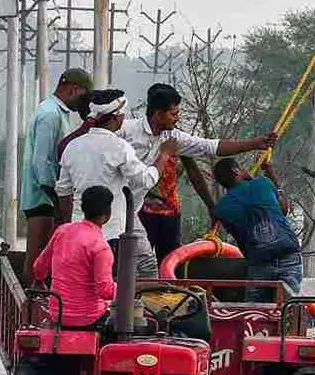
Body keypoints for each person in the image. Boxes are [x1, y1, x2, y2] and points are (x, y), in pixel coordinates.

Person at [119, 82, 278, 265]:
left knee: (156, 263)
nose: (177, 118)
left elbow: (210, 147)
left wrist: (255, 143)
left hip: (158, 211)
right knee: (125, 260)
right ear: (158, 113)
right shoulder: (126, 130)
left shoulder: (174, 137)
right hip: (122, 208)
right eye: (173, 114)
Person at [56, 89, 177, 278]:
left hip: (78, 230)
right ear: (116, 118)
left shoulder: (73, 146)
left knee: (84, 278)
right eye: (123, 115)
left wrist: (70, 225)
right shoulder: (120, 148)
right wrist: (164, 155)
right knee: (121, 277)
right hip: (113, 233)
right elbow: (146, 180)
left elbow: (63, 192)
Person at [20, 67, 93, 272]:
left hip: (46, 196)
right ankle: (30, 292)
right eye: (84, 96)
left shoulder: (56, 112)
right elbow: (41, 162)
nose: (84, 103)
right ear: (74, 90)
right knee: (37, 260)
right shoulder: (50, 115)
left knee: (45, 259)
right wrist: (57, 198)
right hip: (42, 198)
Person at [211, 157, 302, 302]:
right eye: (241, 168)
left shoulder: (221, 209)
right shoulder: (263, 183)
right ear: (236, 171)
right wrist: (271, 175)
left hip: (259, 262)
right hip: (288, 255)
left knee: (255, 310)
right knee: (289, 308)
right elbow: (284, 209)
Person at [31, 185, 117, 327]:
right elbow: (105, 291)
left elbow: (39, 267)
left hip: (57, 314)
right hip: (89, 318)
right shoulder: (101, 247)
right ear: (107, 213)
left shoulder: (62, 231)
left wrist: (39, 280)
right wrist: (128, 290)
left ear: (83, 209)